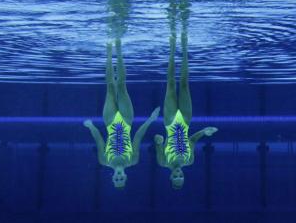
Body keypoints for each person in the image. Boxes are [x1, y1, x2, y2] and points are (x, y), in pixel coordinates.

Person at [84, 39, 160, 189]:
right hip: (126, 120)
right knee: (122, 85)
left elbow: (99, 140)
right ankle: (118, 49)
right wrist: (150, 120)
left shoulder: (103, 160)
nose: (119, 177)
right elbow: (138, 136)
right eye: (121, 179)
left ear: (112, 178)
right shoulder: (133, 160)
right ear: (125, 176)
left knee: (110, 86)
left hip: (110, 121)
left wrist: (91, 127)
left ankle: (109, 50)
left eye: (116, 179)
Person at [154, 33, 217, 189]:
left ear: (170, 176)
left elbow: (156, 140)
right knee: (184, 84)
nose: (178, 173)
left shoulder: (163, 162)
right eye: (180, 176)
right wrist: (204, 131)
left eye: (175, 176)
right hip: (186, 120)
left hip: (169, 121)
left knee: (170, 84)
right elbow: (193, 140)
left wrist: (158, 140)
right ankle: (184, 45)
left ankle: (172, 47)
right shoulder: (189, 161)